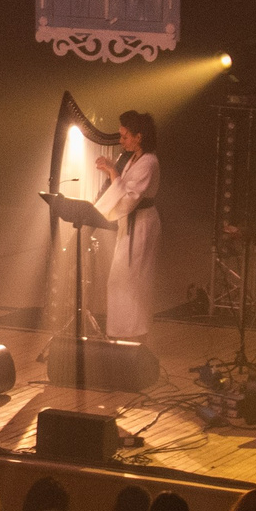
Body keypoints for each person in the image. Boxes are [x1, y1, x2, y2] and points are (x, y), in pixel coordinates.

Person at [91, 110, 163, 341]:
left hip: (142, 224)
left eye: (124, 136)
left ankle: (133, 331)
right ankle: (121, 331)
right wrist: (114, 169)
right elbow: (124, 187)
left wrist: (112, 171)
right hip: (131, 223)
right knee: (122, 278)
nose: (120, 141)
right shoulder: (133, 158)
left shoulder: (149, 162)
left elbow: (130, 198)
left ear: (138, 137)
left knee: (132, 279)